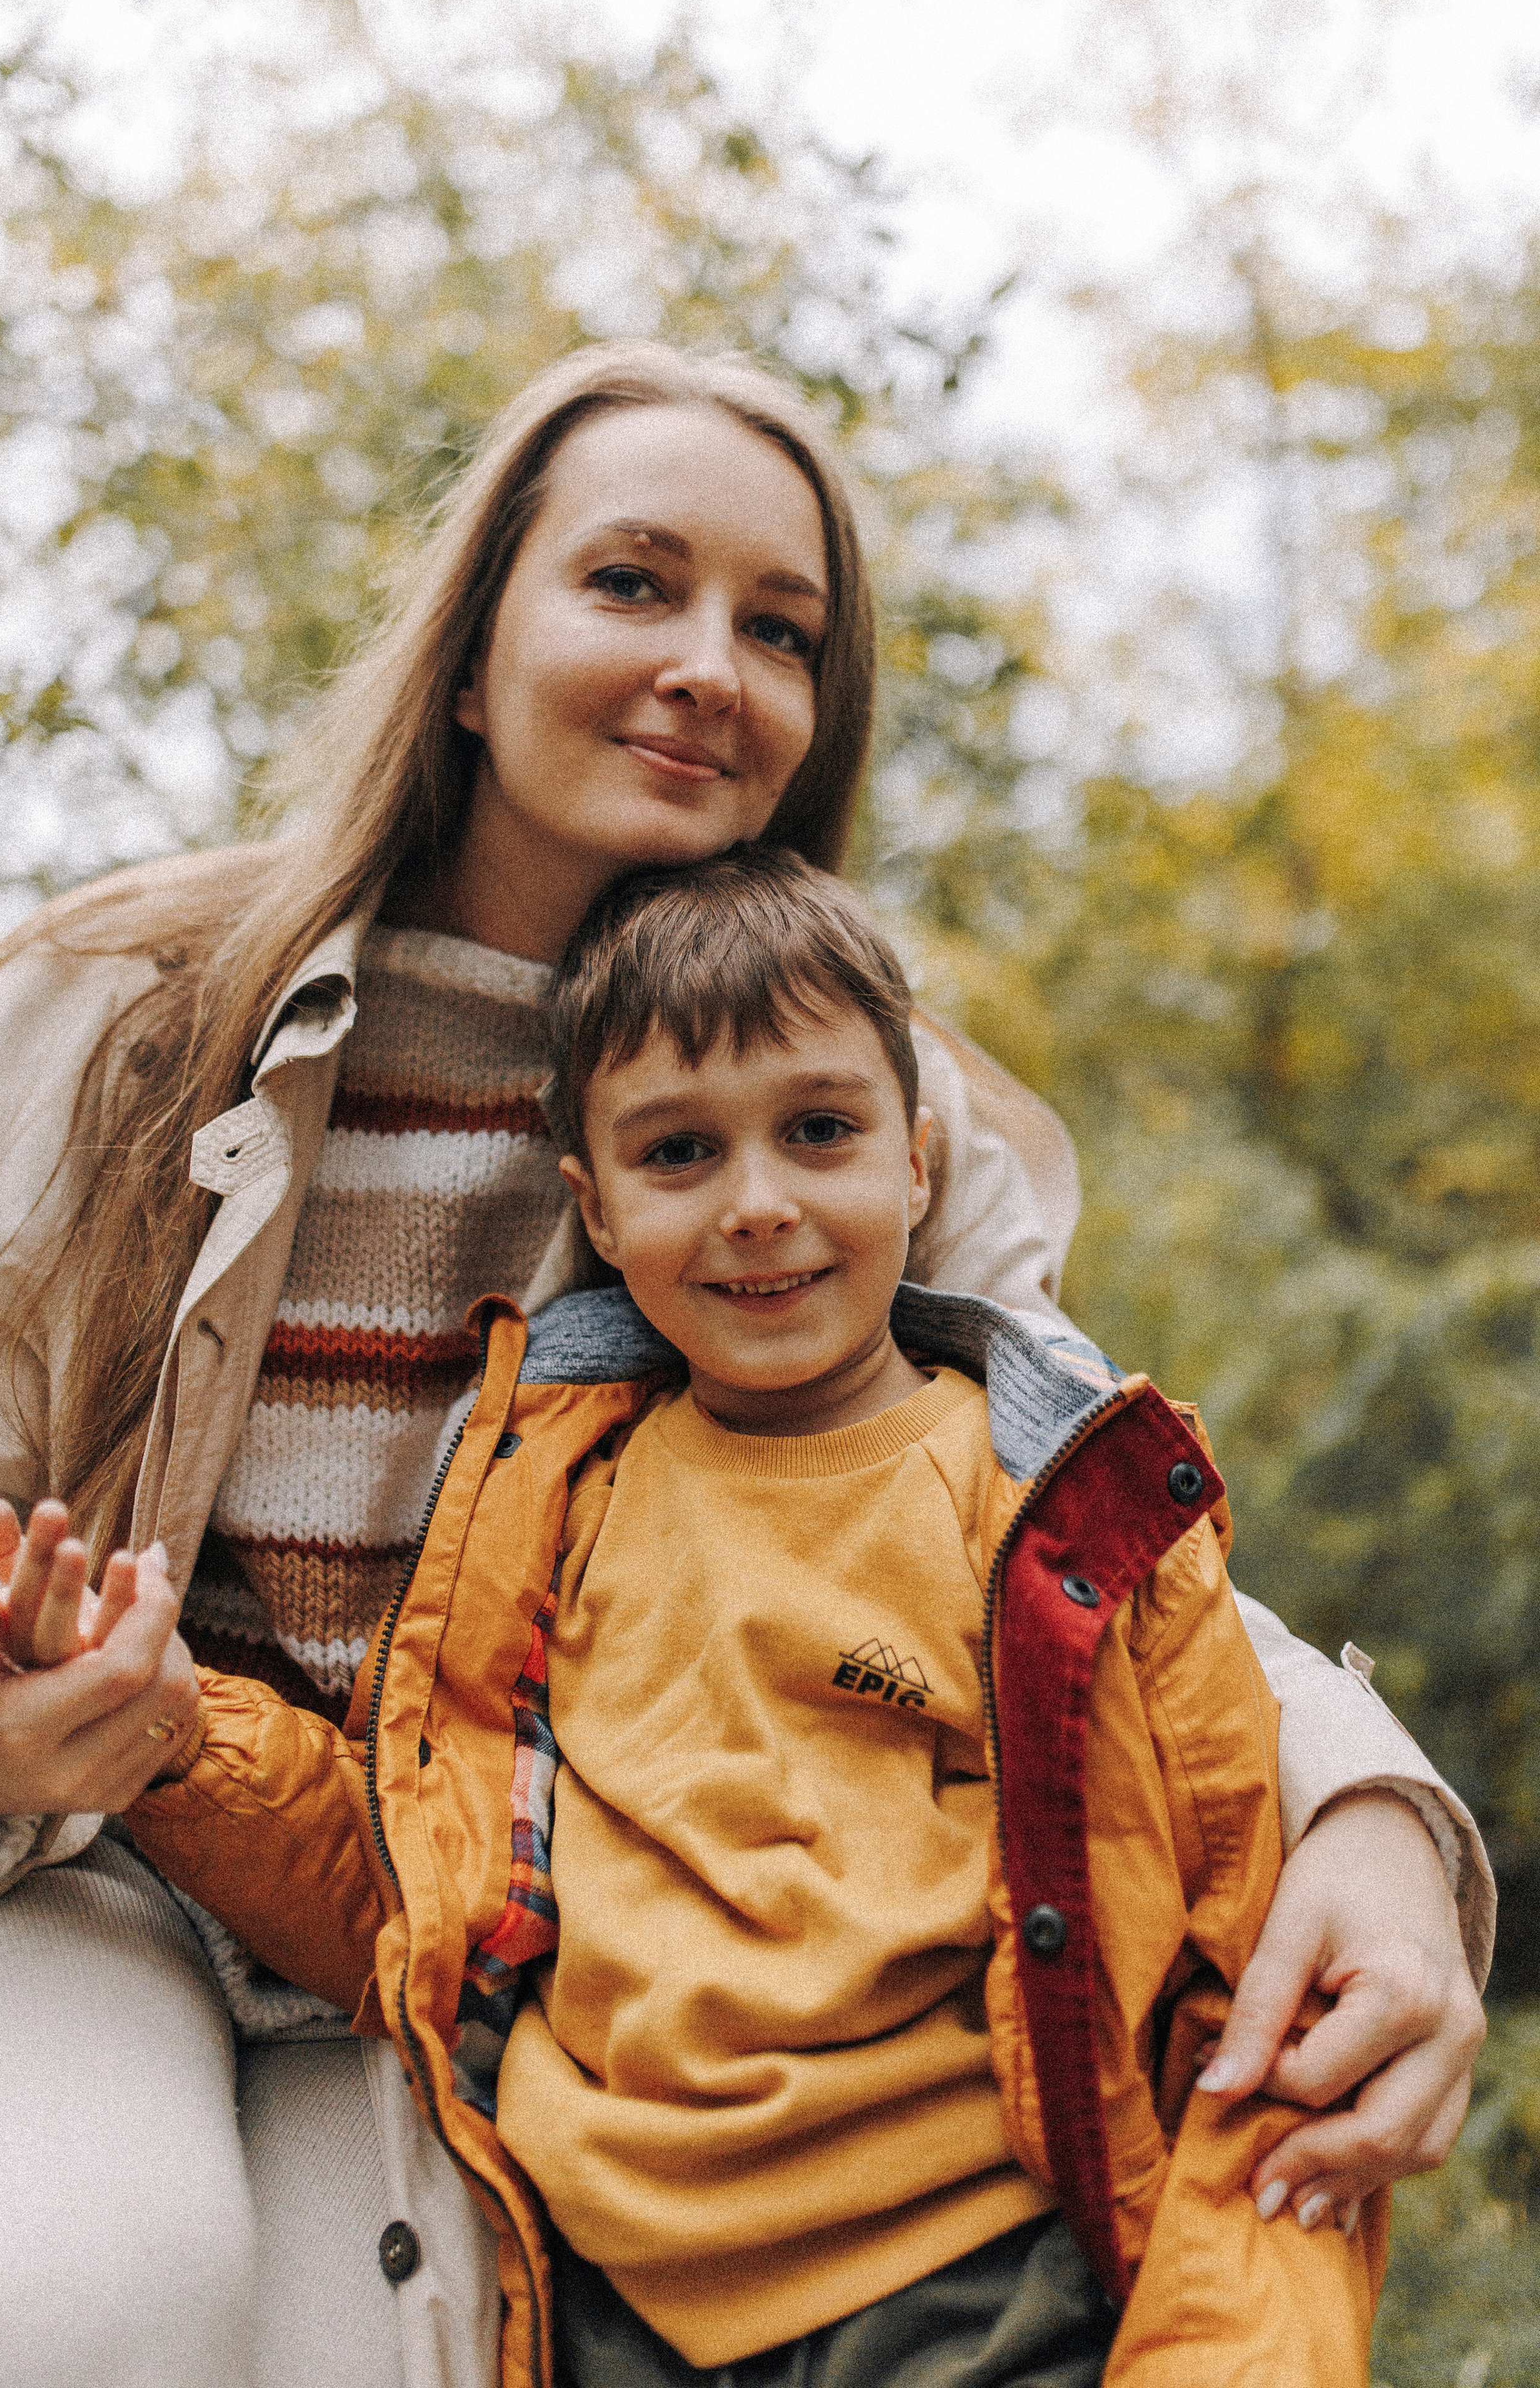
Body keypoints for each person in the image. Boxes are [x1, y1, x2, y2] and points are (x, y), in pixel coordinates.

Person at [0, 342, 1487, 2388]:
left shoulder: (866, 1121)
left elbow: (1087, 1549)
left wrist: (1377, 1820)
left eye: (783, 631)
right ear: (471, 656)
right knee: (66, 2295)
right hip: (108, 1857)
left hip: (544, 1941)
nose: (709, 665)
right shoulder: (119, 1016)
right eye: (634, 585)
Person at [125, 843, 1391, 2387]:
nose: (756, 1205)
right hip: (603, 2301)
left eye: (817, 1131)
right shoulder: (541, 1509)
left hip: (973, 2289)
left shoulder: (1052, 1512)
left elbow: (1230, 1993)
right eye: (678, 1155)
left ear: (915, 1165)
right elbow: (429, 1895)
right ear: (591, 1207)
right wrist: (171, 1734)